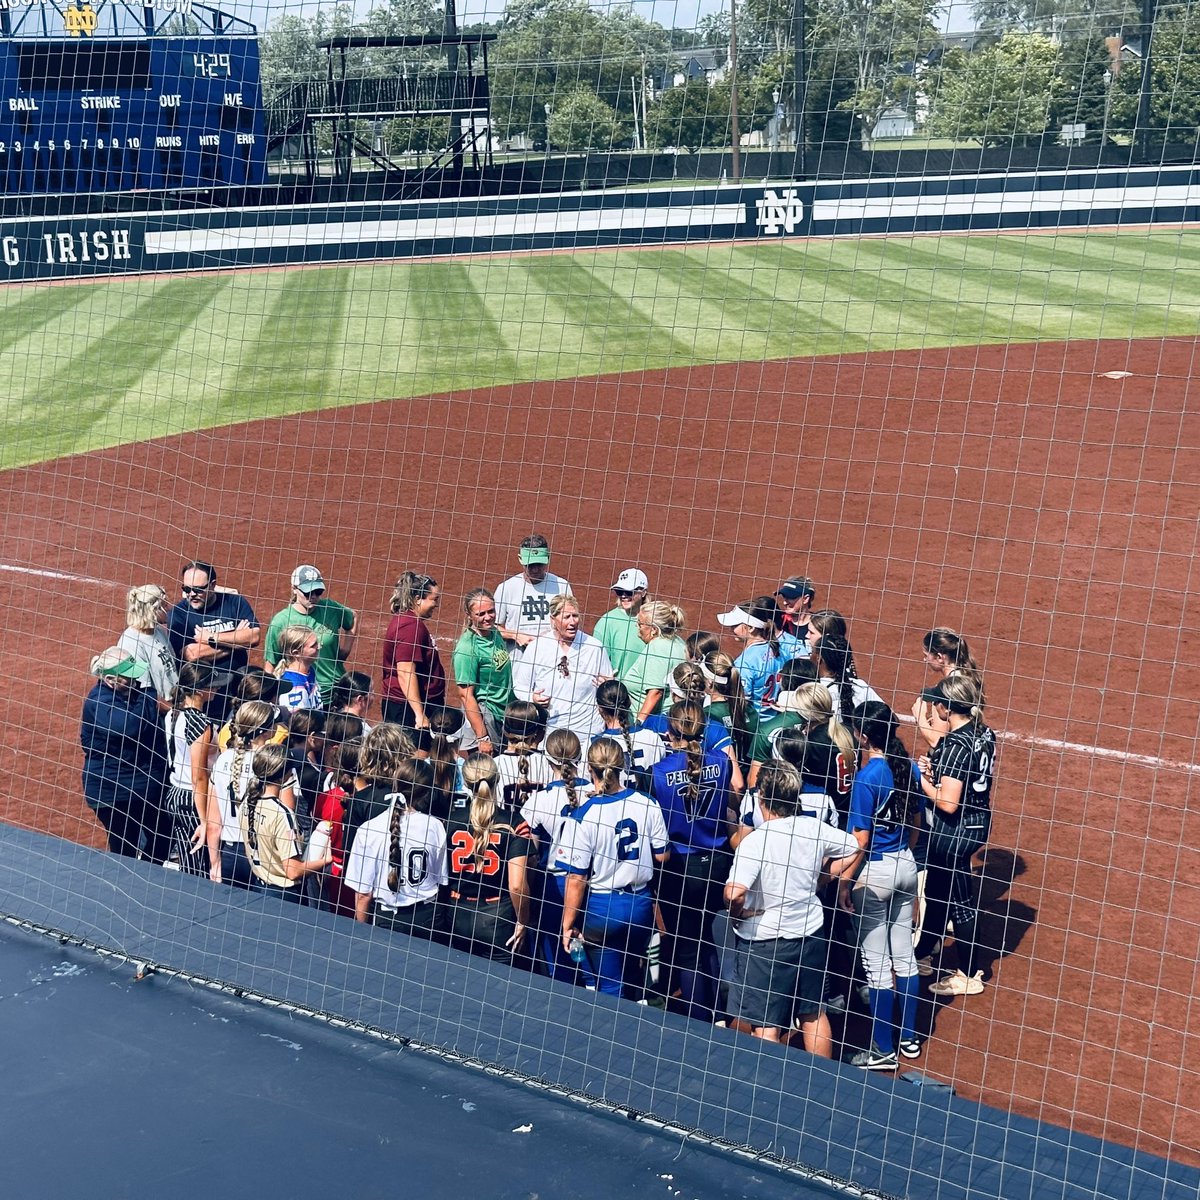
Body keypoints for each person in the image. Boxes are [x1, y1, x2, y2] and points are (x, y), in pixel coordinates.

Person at [724, 763, 860, 1053]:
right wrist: (821, 880)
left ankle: (769, 1093)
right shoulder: (813, 828)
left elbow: (734, 893)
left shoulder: (755, 842)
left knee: (766, 1026)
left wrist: (736, 914)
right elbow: (853, 847)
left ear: (762, 798)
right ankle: (821, 1084)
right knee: (813, 1014)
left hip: (764, 944)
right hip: (810, 933)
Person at [842, 701, 923, 1070]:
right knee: (904, 956)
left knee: (876, 965)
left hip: (875, 872)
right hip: (906, 863)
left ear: (863, 735)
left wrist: (844, 881)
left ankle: (882, 1049)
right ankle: (908, 1038)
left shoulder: (867, 778)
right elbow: (918, 825)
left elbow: (861, 838)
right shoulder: (907, 768)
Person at [557, 737, 670, 999]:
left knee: (608, 989)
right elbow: (663, 857)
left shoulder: (584, 815)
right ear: (622, 765)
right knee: (634, 982)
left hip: (602, 907)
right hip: (640, 903)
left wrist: (567, 924)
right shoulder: (646, 802)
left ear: (589, 769)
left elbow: (576, 878)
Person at [651, 702, 733, 1021]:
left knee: (687, 948)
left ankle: (698, 1020)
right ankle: (718, 1013)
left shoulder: (659, 773)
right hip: (716, 864)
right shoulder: (722, 763)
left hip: (680, 869)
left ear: (671, 733)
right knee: (706, 937)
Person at [915, 676, 996, 997]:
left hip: (957, 831)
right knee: (936, 888)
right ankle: (923, 953)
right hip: (975, 822)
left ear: (947, 709)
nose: (934, 706)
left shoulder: (953, 746)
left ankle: (970, 973)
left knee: (960, 904)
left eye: (937, 703)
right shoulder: (983, 733)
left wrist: (921, 778)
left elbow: (947, 803)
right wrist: (936, 768)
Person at [344, 757, 450, 940]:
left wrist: (360, 934)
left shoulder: (368, 829)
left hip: (387, 918)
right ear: (425, 793)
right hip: (427, 918)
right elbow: (440, 879)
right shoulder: (434, 826)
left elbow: (363, 895)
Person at [80, 647, 169, 861]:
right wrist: (147, 698)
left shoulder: (130, 695)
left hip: (140, 785)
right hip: (113, 792)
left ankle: (147, 871)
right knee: (124, 848)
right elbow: (129, 727)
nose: (135, 679)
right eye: (129, 676)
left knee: (163, 835)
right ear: (110, 679)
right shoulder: (100, 701)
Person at [445, 753, 533, 961]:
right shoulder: (514, 824)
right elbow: (517, 885)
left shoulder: (450, 820)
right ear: (497, 779)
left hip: (457, 913)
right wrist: (523, 920)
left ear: (466, 784)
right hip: (498, 916)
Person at [520, 729, 593, 980]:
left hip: (552, 885)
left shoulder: (537, 801)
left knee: (558, 963)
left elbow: (531, 854)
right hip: (592, 884)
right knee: (590, 956)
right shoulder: (598, 793)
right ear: (581, 756)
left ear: (547, 758)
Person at [512, 594, 613, 740]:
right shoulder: (537, 648)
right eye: (566, 617)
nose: (572, 622)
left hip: (589, 732)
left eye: (575, 616)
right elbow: (520, 685)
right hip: (550, 733)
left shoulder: (594, 647)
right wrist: (532, 698)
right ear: (553, 620)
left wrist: (607, 685)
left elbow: (609, 684)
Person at [239, 744, 330, 901]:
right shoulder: (281, 813)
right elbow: (293, 871)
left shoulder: (247, 802)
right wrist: (326, 861)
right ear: (282, 776)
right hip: (284, 895)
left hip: (258, 885)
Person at [208, 700, 281, 888]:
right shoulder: (273, 762)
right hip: (263, 854)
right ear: (266, 730)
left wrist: (215, 863)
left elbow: (214, 824)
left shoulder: (223, 759)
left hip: (230, 854)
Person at [163, 662, 221, 874]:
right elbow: (199, 776)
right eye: (212, 685)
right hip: (193, 799)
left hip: (175, 794)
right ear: (199, 690)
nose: (216, 689)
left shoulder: (173, 714)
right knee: (200, 867)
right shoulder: (199, 723)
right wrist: (204, 821)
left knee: (189, 860)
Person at [263, 565, 357, 697]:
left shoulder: (330, 608)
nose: (313, 596)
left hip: (335, 691)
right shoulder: (280, 622)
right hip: (301, 692)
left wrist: (344, 652)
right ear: (294, 589)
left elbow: (352, 617)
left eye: (318, 592)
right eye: (307, 592)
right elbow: (271, 664)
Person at [166, 560, 260, 672]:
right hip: (202, 686)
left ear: (213, 585)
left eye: (198, 589)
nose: (192, 594)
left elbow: (254, 637)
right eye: (186, 589)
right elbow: (192, 654)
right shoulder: (178, 614)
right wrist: (236, 642)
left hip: (236, 681)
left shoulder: (235, 602)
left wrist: (211, 638)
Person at [381, 571, 445, 731]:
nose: (436, 604)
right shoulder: (410, 627)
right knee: (413, 754)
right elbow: (405, 672)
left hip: (410, 704)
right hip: (408, 709)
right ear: (417, 599)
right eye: (434, 599)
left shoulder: (408, 621)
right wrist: (419, 714)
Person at [453, 589, 514, 753]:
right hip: (486, 717)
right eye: (481, 614)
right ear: (469, 614)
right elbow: (466, 696)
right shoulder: (467, 648)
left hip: (504, 713)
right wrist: (483, 738)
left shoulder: (493, 632)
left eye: (491, 611)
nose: (488, 617)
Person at [716, 597, 801, 715]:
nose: (731, 628)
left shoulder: (745, 662)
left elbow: (742, 703)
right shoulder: (777, 649)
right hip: (776, 718)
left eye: (735, 625)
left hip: (757, 724)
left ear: (751, 628)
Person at [494, 534, 573, 652]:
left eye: (539, 564)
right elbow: (493, 627)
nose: (535, 569)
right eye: (530, 565)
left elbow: (571, 622)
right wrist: (516, 636)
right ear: (520, 559)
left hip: (553, 658)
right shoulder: (506, 588)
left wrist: (551, 636)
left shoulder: (562, 586)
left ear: (548, 558)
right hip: (518, 662)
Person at [912, 628, 985, 750]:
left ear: (940, 657)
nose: (925, 660)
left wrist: (920, 718)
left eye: (926, 656)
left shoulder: (946, 690)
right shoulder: (968, 678)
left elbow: (936, 741)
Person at [592, 679, 667, 792]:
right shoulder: (652, 737)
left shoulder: (594, 745)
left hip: (610, 808)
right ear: (629, 702)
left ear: (600, 709)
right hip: (649, 805)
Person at [624, 599, 688, 722]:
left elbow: (656, 692)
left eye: (640, 623)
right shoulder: (678, 641)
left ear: (653, 629)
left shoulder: (657, 647)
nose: (637, 627)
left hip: (656, 723)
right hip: (675, 717)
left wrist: (639, 722)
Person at [117, 583, 178, 705]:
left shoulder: (158, 631)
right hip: (159, 713)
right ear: (153, 610)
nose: (169, 608)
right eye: (164, 605)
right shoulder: (131, 644)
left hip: (175, 701)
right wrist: (174, 712)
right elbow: (146, 695)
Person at [700, 650, 758, 776]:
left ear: (709, 682)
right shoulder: (749, 709)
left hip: (726, 781)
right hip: (750, 777)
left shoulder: (707, 715)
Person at [814, 633, 885, 728]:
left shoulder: (814, 690)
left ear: (819, 658)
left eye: (812, 652)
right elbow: (891, 719)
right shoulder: (860, 686)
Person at [593, 568, 649, 687]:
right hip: (618, 693)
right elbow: (597, 662)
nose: (623, 596)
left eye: (629, 592)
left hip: (648, 691)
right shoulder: (607, 622)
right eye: (619, 591)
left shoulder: (655, 620)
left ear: (643, 592)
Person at [494, 701, 553, 810]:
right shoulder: (548, 763)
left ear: (504, 730)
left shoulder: (494, 765)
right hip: (539, 826)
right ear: (535, 732)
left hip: (504, 825)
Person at [274, 625, 323, 712]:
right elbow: (299, 723)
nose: (319, 647)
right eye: (313, 645)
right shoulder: (293, 686)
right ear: (296, 653)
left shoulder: (309, 670)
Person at [777, 576, 817, 641]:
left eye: (791, 597)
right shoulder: (779, 621)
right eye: (784, 596)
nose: (784, 602)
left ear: (805, 599)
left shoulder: (819, 625)